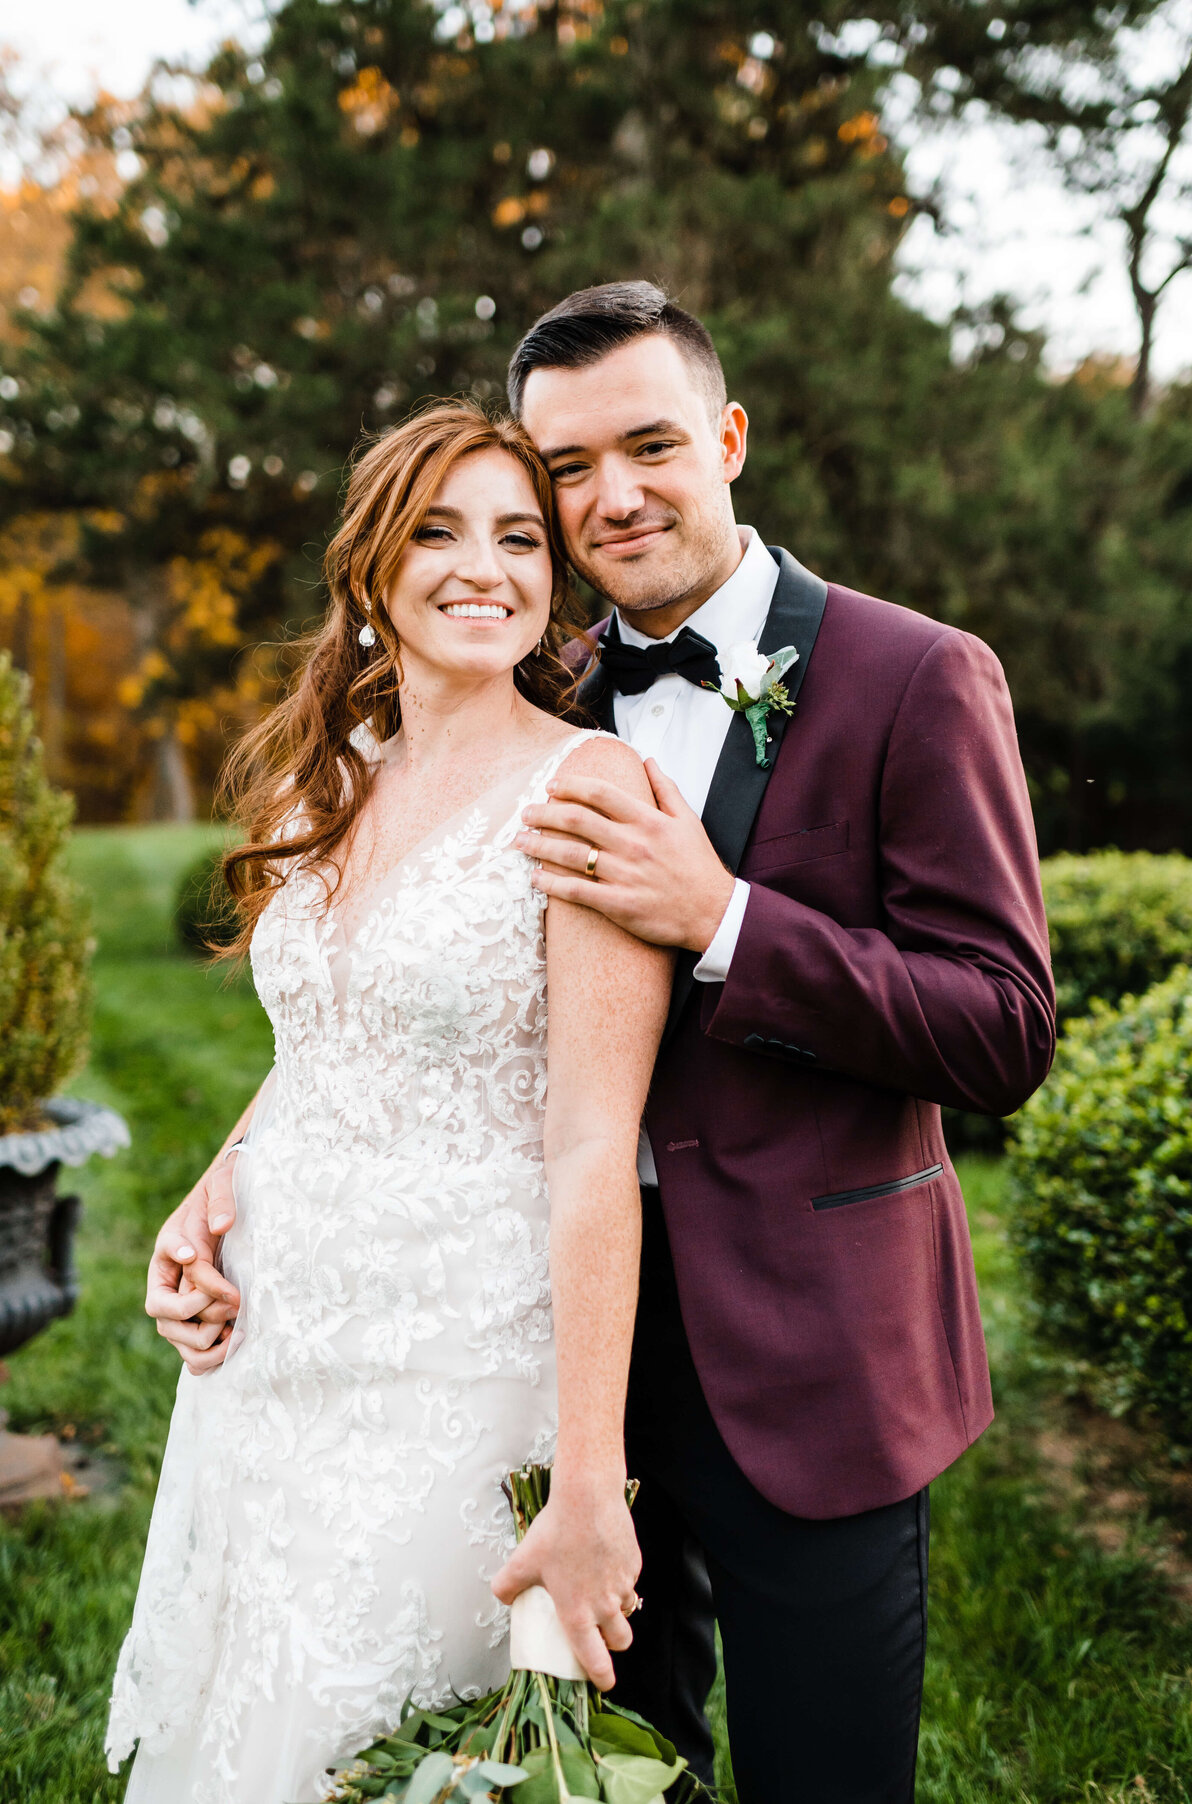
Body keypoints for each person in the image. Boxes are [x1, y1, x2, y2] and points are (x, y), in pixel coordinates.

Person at [501, 282, 1056, 1802]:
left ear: (729, 438)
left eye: (651, 444)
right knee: (619, 1767)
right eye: (564, 468)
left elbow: (1004, 1026)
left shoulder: (916, 675)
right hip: (570, 1347)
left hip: (821, 1348)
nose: (610, 497)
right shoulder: (529, 694)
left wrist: (731, 919)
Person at [106, 402, 673, 1803]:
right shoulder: (342, 781)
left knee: (380, 1742)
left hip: (462, 1373)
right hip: (278, 1357)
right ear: (372, 567)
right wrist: (209, 1192)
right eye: (438, 531)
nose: (482, 567)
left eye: (519, 538)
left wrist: (592, 1480)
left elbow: (600, 1141)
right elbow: (324, 1046)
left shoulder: (585, 785)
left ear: (553, 578)